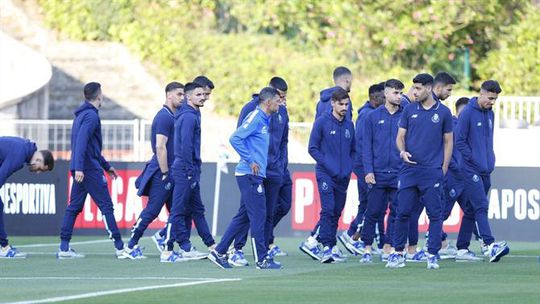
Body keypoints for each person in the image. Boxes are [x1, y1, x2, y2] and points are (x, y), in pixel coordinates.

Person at [209, 87, 282, 269]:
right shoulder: (256, 117)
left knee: (244, 217)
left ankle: (219, 252)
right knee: (259, 215)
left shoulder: (264, 119)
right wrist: (250, 160)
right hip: (250, 175)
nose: (280, 104)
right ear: (268, 102)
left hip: (254, 174)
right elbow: (235, 138)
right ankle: (261, 259)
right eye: (278, 101)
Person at [387, 73, 453, 269]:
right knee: (402, 212)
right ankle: (398, 253)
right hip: (409, 171)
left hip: (432, 171)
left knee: (435, 214)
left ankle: (432, 254)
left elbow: (449, 141)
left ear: (428, 88)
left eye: (417, 88)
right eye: (413, 88)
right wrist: (402, 151)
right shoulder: (409, 110)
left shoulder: (443, 112)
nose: (413, 92)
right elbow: (400, 137)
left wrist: (444, 167)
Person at [58, 82, 128, 259]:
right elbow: (82, 141)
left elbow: (89, 147)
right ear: (99, 96)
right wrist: (81, 167)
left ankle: (64, 248)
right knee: (106, 207)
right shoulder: (91, 116)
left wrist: (106, 166)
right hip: (87, 169)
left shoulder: (81, 115)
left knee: (73, 207)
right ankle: (120, 248)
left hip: (81, 167)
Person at [227, 77, 290, 267]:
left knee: (270, 211)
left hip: (274, 169)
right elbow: (239, 137)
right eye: (280, 97)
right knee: (248, 212)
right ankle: (237, 249)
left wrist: (281, 163)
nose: (283, 101)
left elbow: (283, 140)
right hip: (254, 169)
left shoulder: (282, 112)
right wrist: (250, 160)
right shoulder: (251, 110)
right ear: (269, 94)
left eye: (285, 98)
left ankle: (265, 248)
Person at [152, 76, 217, 252]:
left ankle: (211, 245)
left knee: (197, 209)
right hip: (184, 170)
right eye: (199, 94)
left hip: (190, 169)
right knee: (178, 211)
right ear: (189, 97)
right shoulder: (189, 116)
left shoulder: (193, 113)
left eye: (204, 94)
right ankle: (166, 248)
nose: (203, 97)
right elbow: (186, 145)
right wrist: (189, 170)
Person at [126, 82, 184, 258]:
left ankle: (170, 246)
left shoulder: (172, 116)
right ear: (169, 96)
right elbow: (160, 147)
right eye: (179, 94)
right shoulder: (164, 117)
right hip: (162, 171)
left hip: (170, 171)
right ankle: (130, 246)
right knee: (152, 210)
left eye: (183, 94)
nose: (182, 98)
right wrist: (166, 173)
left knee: (178, 211)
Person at [455, 80, 510, 263]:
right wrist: (472, 159)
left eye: (495, 99)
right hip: (470, 169)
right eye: (490, 98)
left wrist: (489, 161)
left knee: (471, 210)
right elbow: (459, 141)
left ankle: (462, 248)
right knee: (481, 206)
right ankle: (489, 244)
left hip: (485, 169)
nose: (492, 102)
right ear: (482, 92)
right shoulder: (468, 113)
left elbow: (487, 142)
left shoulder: (490, 114)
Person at [358, 79, 404, 263]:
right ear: (386, 94)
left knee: (397, 212)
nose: (399, 97)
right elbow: (366, 147)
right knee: (373, 211)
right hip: (377, 173)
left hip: (399, 173)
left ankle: (390, 247)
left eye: (401, 93)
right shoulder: (372, 117)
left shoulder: (406, 116)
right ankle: (367, 249)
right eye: (395, 93)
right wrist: (368, 170)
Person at [308, 87, 356, 263]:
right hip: (326, 174)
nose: (345, 107)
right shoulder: (322, 122)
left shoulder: (350, 125)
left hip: (343, 177)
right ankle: (327, 247)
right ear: (333, 104)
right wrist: (329, 164)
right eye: (341, 104)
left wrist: (347, 168)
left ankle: (330, 244)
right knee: (328, 209)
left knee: (336, 211)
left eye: (347, 104)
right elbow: (312, 148)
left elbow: (354, 150)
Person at [337, 82, 385, 256]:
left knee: (370, 203)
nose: (385, 100)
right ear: (374, 98)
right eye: (383, 97)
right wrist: (368, 169)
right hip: (364, 166)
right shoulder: (367, 115)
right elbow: (364, 144)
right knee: (371, 204)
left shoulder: (374, 113)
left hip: (367, 166)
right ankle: (352, 235)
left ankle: (360, 236)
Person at [0, 137, 54, 258]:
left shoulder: (24, 149)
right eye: (40, 169)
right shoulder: (19, 155)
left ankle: (3, 245)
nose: (38, 173)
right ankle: (3, 247)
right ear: (39, 160)